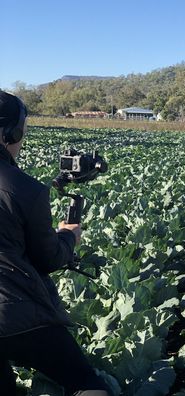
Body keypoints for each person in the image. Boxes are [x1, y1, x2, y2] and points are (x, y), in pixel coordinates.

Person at [0, 91, 110, 396]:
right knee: (87, 385)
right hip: (13, 313)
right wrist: (68, 235)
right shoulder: (25, 189)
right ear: (11, 132)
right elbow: (49, 259)